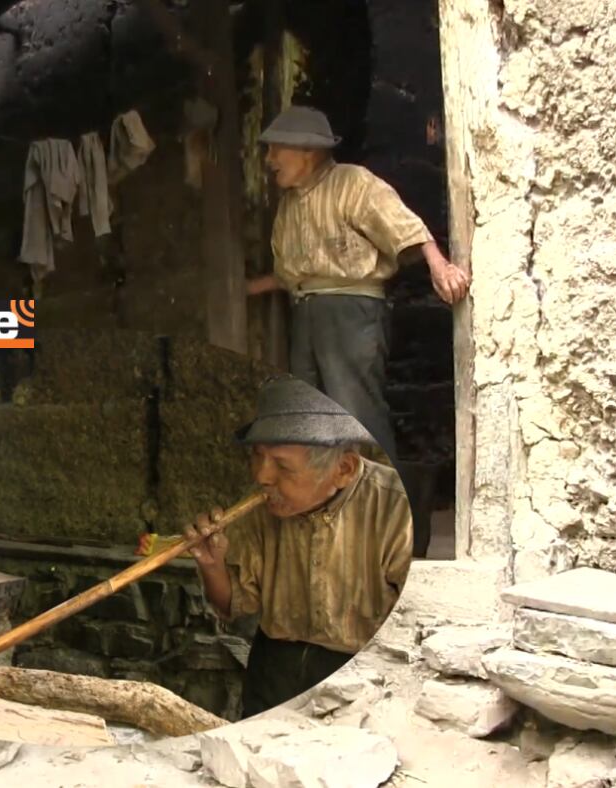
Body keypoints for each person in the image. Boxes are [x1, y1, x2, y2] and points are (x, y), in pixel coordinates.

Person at [246, 105, 471, 463]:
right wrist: (246, 290)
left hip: (350, 314)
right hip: (307, 313)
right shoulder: (289, 204)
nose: (269, 159)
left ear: (309, 150)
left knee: (356, 413)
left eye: (276, 148)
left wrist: (439, 266)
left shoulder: (353, 183)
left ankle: (389, 506)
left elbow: (404, 226)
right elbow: (295, 272)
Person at [185, 376, 413, 719]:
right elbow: (233, 604)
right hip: (275, 668)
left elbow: (410, 630)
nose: (262, 476)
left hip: (361, 671)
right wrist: (212, 565)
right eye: (257, 456)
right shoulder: (265, 507)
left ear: (344, 469)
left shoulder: (395, 510)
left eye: (282, 465)